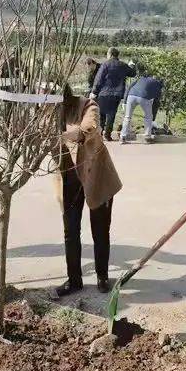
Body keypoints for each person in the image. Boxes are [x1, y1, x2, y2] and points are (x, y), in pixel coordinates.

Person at [54, 84, 122, 296]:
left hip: (97, 177)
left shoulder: (87, 105)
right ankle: (74, 280)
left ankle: (102, 277)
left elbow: (88, 129)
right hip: (69, 180)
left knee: (100, 230)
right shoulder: (48, 112)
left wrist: (61, 136)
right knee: (70, 232)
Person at [90, 47, 136, 141]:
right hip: (117, 94)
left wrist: (94, 92)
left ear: (110, 54)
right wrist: (132, 65)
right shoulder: (123, 65)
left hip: (103, 93)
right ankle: (107, 134)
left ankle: (100, 133)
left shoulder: (105, 65)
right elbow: (133, 73)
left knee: (101, 114)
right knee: (111, 114)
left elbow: (98, 79)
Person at [119, 64, 164, 143]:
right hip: (143, 97)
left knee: (127, 117)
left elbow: (129, 87)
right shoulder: (158, 85)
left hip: (131, 95)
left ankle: (122, 137)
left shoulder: (142, 78)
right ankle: (147, 137)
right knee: (148, 117)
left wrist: (124, 102)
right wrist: (153, 117)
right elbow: (156, 103)